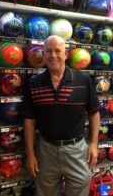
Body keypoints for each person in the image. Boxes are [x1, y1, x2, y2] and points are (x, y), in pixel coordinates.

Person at [22, 35, 100, 196]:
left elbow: (94, 113)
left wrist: (93, 144)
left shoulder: (83, 80)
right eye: (48, 51)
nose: (53, 55)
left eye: (58, 50)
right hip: (46, 151)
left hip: (77, 150)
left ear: (66, 54)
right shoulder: (34, 83)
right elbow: (29, 121)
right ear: (43, 55)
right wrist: (30, 154)